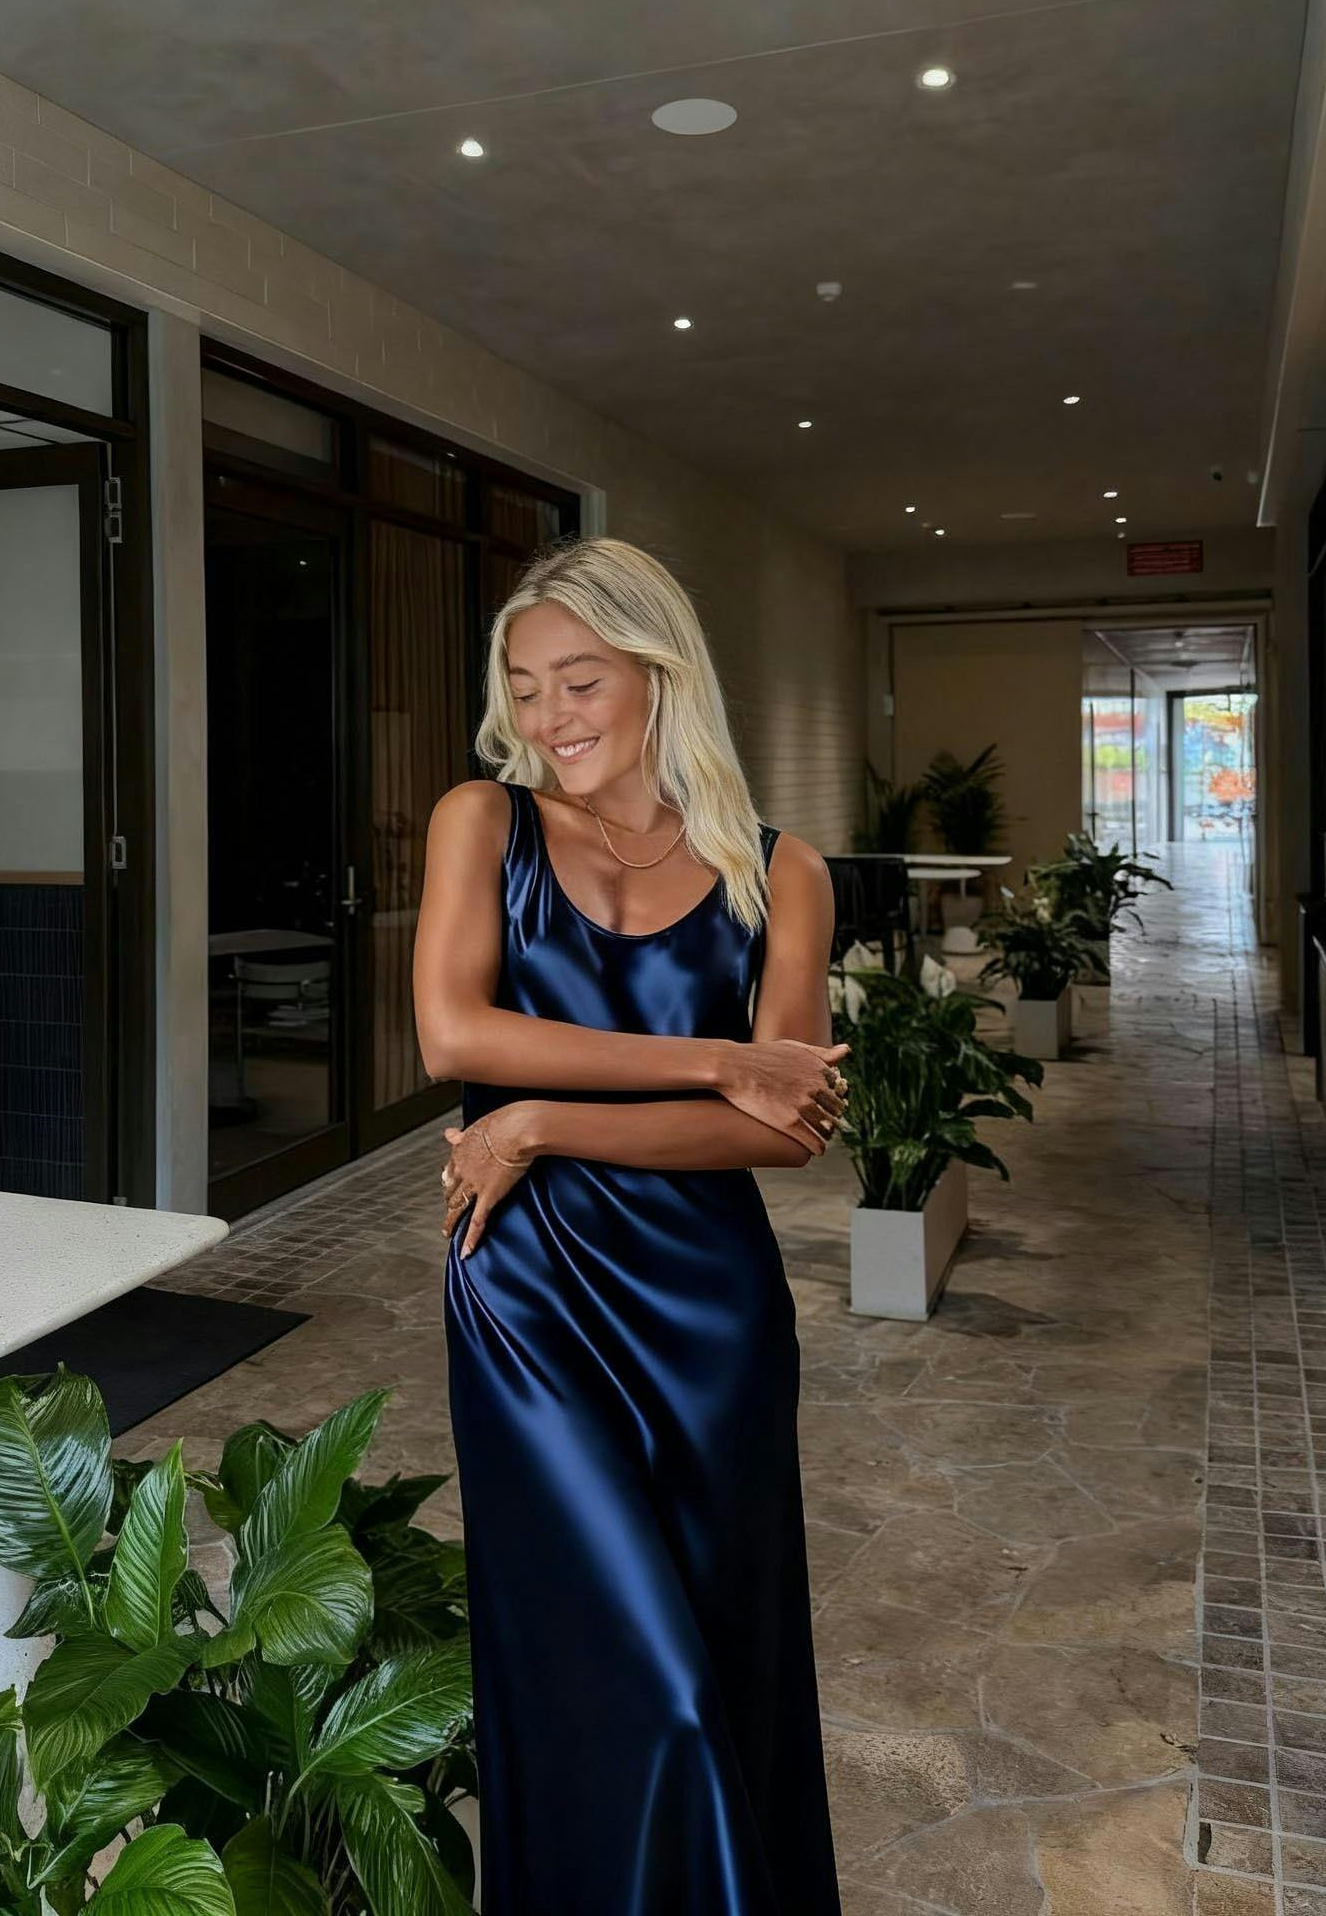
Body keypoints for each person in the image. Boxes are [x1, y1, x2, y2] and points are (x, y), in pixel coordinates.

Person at [413, 533, 847, 1915]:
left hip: (713, 1314)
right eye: (525, 686)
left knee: (719, 1659)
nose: (550, 715)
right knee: (634, 1680)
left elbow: (785, 1127)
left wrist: (542, 1122)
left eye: (582, 680)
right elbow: (452, 1034)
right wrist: (715, 1057)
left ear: (661, 674)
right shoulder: (482, 822)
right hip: (526, 1294)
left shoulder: (783, 873)